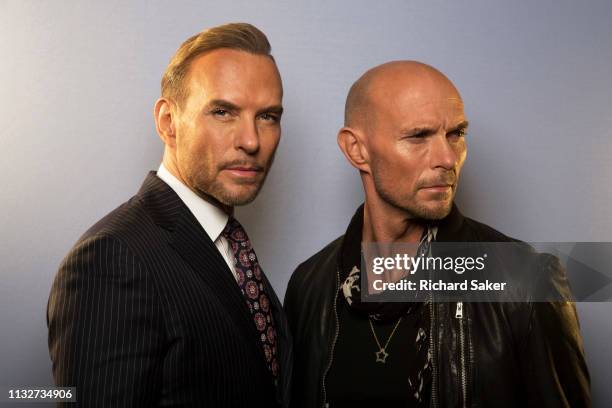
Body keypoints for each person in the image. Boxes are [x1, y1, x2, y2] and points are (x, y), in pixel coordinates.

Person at [283, 61, 590, 407]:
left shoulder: (525, 280)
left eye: (456, 134)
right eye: (418, 136)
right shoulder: (310, 286)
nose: (447, 158)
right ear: (357, 150)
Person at [47, 23, 292, 407]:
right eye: (223, 112)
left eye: (268, 116)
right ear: (167, 122)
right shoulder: (111, 259)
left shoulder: (231, 245)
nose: (251, 141)